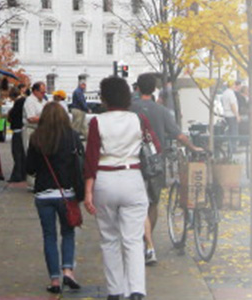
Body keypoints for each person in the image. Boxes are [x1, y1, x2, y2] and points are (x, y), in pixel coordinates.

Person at [84, 76, 150, 300]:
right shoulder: (138, 119)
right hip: (132, 176)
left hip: (105, 178)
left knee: (109, 238)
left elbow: (91, 157)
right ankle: (137, 290)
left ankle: (115, 290)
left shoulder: (97, 122)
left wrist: (88, 191)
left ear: (104, 98)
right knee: (132, 238)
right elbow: (155, 146)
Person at [129, 73, 204, 265]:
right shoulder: (161, 111)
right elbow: (178, 135)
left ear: (137, 88)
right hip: (155, 163)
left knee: (136, 205)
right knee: (153, 203)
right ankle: (148, 242)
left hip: (133, 162)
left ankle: (144, 243)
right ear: (154, 89)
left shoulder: (130, 108)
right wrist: (193, 147)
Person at [25, 102, 84, 294]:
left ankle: (55, 280)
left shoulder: (37, 138)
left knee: (49, 236)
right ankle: (68, 270)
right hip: (67, 193)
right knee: (68, 233)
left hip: (43, 194)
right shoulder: (73, 137)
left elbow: (30, 168)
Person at [7, 85, 29, 187]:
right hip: (21, 129)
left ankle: (18, 174)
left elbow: (13, 116)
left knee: (17, 153)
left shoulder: (19, 102)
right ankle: (21, 173)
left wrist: (9, 114)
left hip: (18, 130)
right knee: (21, 153)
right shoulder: (24, 101)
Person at [23, 82, 48, 152]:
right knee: (31, 153)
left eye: (44, 92)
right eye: (42, 92)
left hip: (41, 130)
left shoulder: (43, 101)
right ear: (35, 91)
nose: (43, 94)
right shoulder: (30, 101)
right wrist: (46, 118)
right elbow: (31, 118)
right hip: (31, 130)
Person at [218, 80, 242, 151]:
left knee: (229, 131)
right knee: (233, 132)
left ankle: (228, 146)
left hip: (226, 114)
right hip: (231, 115)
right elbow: (233, 105)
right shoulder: (231, 93)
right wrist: (237, 115)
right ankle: (233, 148)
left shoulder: (224, 93)